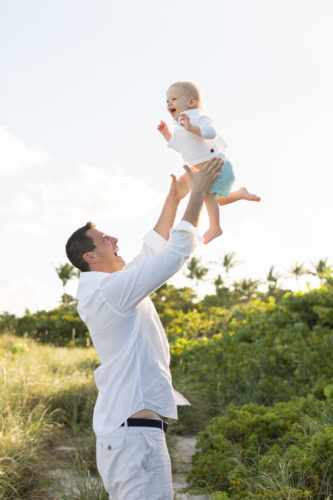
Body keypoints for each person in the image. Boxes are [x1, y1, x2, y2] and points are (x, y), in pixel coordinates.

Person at [65, 158, 223, 500]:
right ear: (90, 257)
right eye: (105, 239)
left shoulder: (107, 287)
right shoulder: (110, 292)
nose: (114, 239)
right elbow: (175, 252)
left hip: (130, 437)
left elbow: (152, 248)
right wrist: (197, 196)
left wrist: (175, 197)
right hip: (135, 439)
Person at [158, 81, 260, 244]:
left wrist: (193, 129)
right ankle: (240, 193)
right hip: (209, 170)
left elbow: (210, 133)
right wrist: (166, 134)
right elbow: (182, 148)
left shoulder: (199, 117)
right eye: (167, 101)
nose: (169, 103)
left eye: (174, 99)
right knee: (218, 200)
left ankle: (215, 228)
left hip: (218, 166)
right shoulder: (180, 126)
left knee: (206, 195)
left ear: (191, 102)